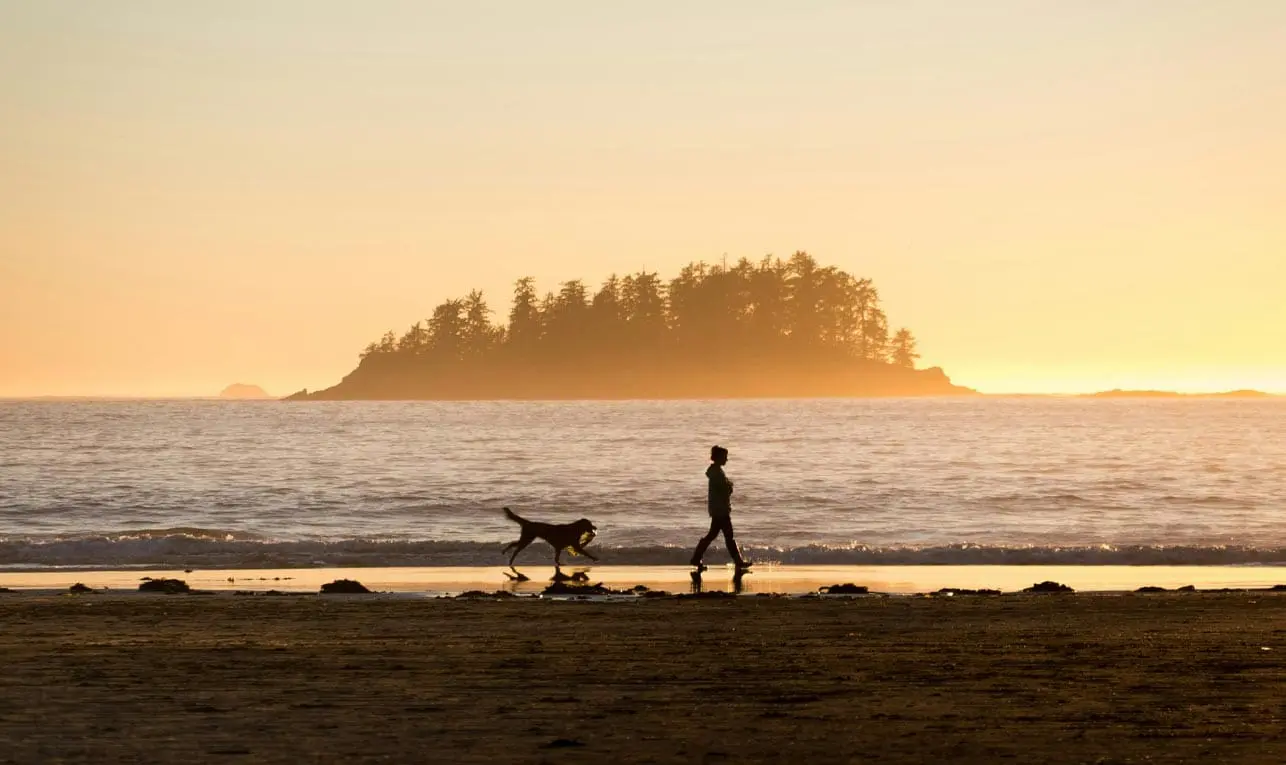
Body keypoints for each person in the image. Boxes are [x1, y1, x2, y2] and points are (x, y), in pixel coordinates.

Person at [690, 445, 750, 571]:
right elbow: (724, 490)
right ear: (718, 458)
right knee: (728, 535)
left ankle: (696, 558)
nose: (726, 460)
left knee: (712, 535)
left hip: (717, 509)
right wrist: (729, 486)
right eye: (725, 457)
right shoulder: (717, 473)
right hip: (720, 510)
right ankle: (738, 561)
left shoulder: (716, 472)